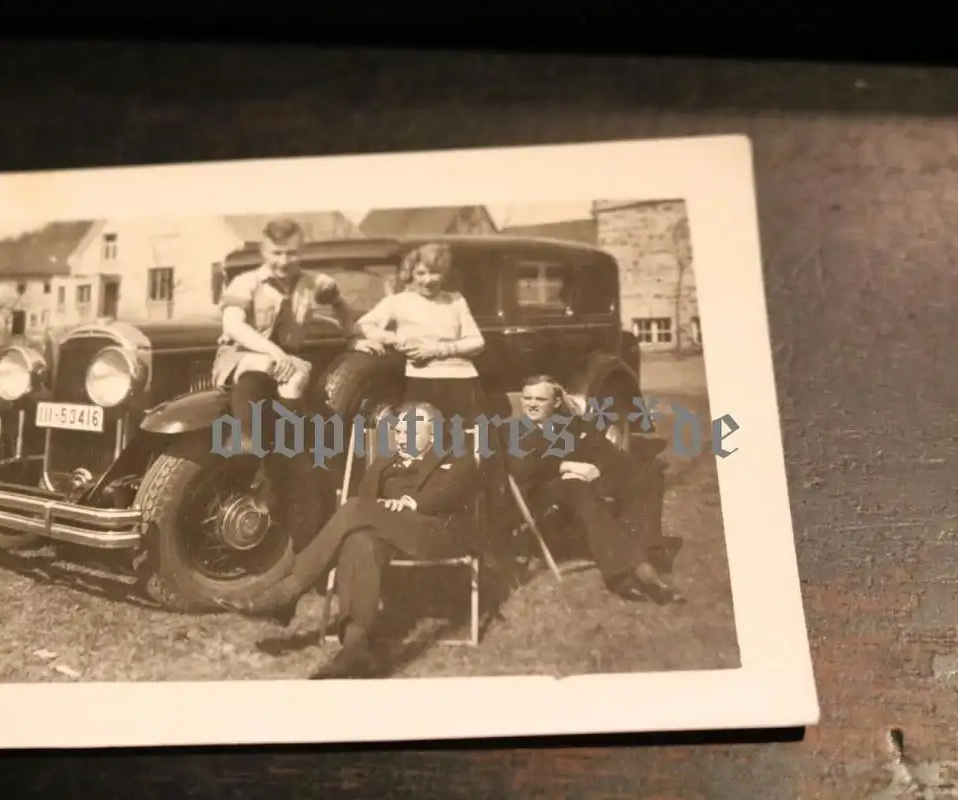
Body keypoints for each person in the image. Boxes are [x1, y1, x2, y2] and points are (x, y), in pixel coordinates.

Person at [217, 401, 481, 679]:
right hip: (388, 533)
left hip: (435, 532)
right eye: (400, 430)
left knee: (355, 508)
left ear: (434, 433)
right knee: (359, 540)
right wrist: (380, 508)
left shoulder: (454, 456)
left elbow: (453, 491)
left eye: (411, 431)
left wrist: (410, 502)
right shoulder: (384, 463)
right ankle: (355, 650)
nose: (402, 436)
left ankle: (286, 592)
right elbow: (368, 503)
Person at [212, 217, 358, 507]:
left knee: (297, 377)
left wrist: (353, 335)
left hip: (287, 360)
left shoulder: (312, 283)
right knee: (264, 366)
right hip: (242, 355)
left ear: (300, 252)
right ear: (264, 253)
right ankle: (246, 442)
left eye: (291, 253)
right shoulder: (247, 283)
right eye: (277, 253)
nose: (284, 260)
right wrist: (272, 352)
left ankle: (287, 453)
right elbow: (233, 326)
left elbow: (340, 304)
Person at [508, 374, 684, 604]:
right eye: (527, 398)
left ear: (556, 402)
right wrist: (566, 466)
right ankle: (632, 574)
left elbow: (606, 453)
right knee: (576, 488)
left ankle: (647, 551)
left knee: (646, 474)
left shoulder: (573, 424)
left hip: (581, 483)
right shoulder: (513, 429)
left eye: (540, 399)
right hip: (541, 492)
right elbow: (520, 466)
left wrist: (596, 468)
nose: (531, 404)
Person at [354, 242, 488, 425]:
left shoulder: (456, 300)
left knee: (463, 440)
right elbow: (362, 326)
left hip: (462, 380)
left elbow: (477, 342)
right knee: (421, 439)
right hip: (421, 380)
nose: (428, 280)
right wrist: (396, 339)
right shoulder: (397, 302)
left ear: (444, 273)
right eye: (421, 273)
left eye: (435, 272)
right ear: (410, 274)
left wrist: (435, 349)